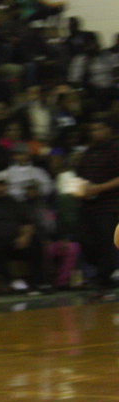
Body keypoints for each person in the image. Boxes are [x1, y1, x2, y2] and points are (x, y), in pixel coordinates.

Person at [75, 115, 119, 290]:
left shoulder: (115, 149)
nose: (96, 132)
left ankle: (104, 279)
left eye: (100, 128)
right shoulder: (88, 152)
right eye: (93, 129)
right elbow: (79, 177)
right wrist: (79, 190)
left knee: (107, 243)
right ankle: (102, 275)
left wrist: (98, 188)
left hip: (110, 206)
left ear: (108, 129)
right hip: (89, 206)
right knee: (86, 241)